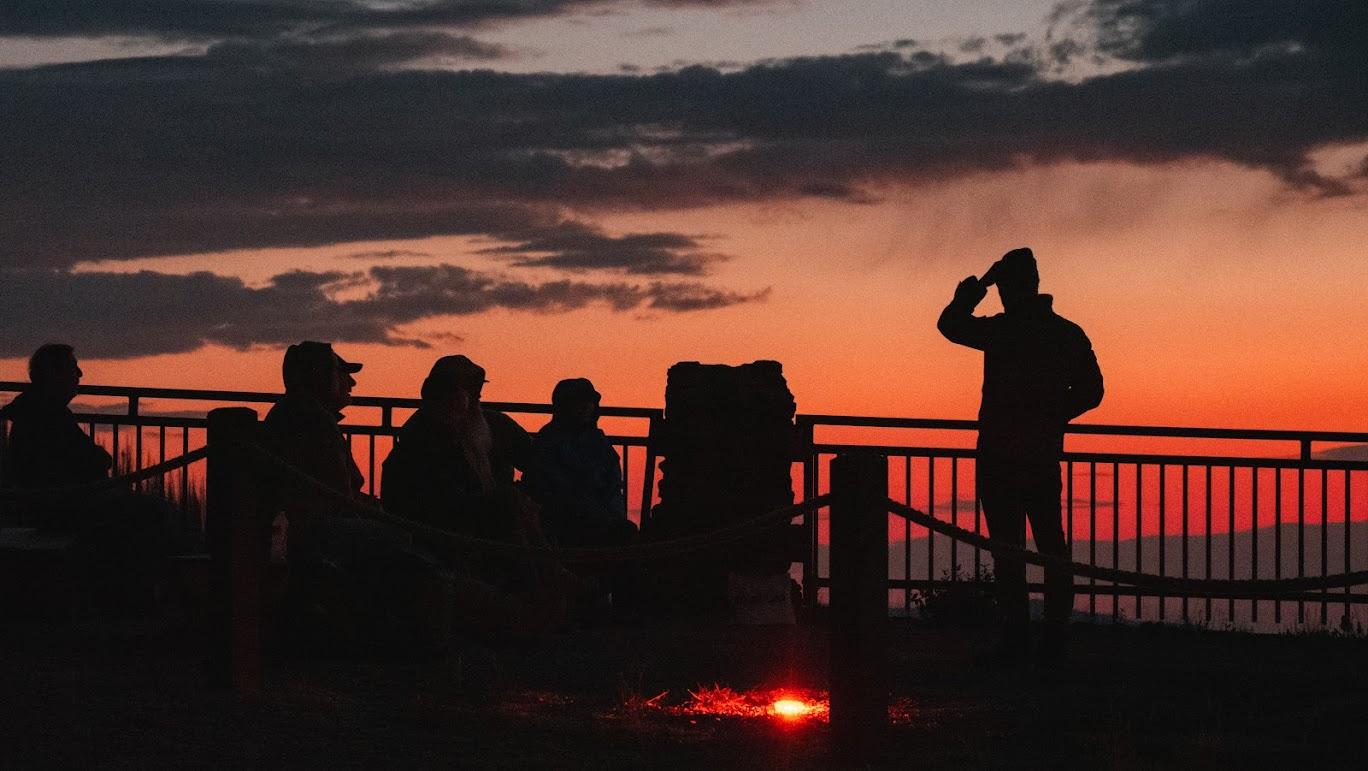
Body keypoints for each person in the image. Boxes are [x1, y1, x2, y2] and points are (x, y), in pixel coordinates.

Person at [937, 248, 1104, 661]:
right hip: (1042, 455)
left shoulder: (1003, 331)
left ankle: (1015, 634)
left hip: (997, 456)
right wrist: (1055, 415)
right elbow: (1093, 390)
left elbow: (950, 325)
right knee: (1052, 546)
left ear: (1008, 288)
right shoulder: (1066, 333)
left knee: (1007, 549)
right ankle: (1056, 632)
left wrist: (975, 288)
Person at [0, 343, 170, 610]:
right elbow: (90, 459)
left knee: (142, 511)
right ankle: (139, 598)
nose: (79, 374)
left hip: (57, 503)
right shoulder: (48, 415)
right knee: (154, 511)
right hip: (61, 507)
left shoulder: (38, 412)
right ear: (53, 375)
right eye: (72, 367)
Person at [524, 378, 639, 617]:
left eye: (590, 403)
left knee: (626, 534)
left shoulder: (598, 441)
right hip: (565, 519)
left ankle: (623, 608)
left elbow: (613, 482)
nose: (587, 408)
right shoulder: (548, 442)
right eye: (581, 403)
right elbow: (551, 488)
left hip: (602, 517)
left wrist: (610, 513)